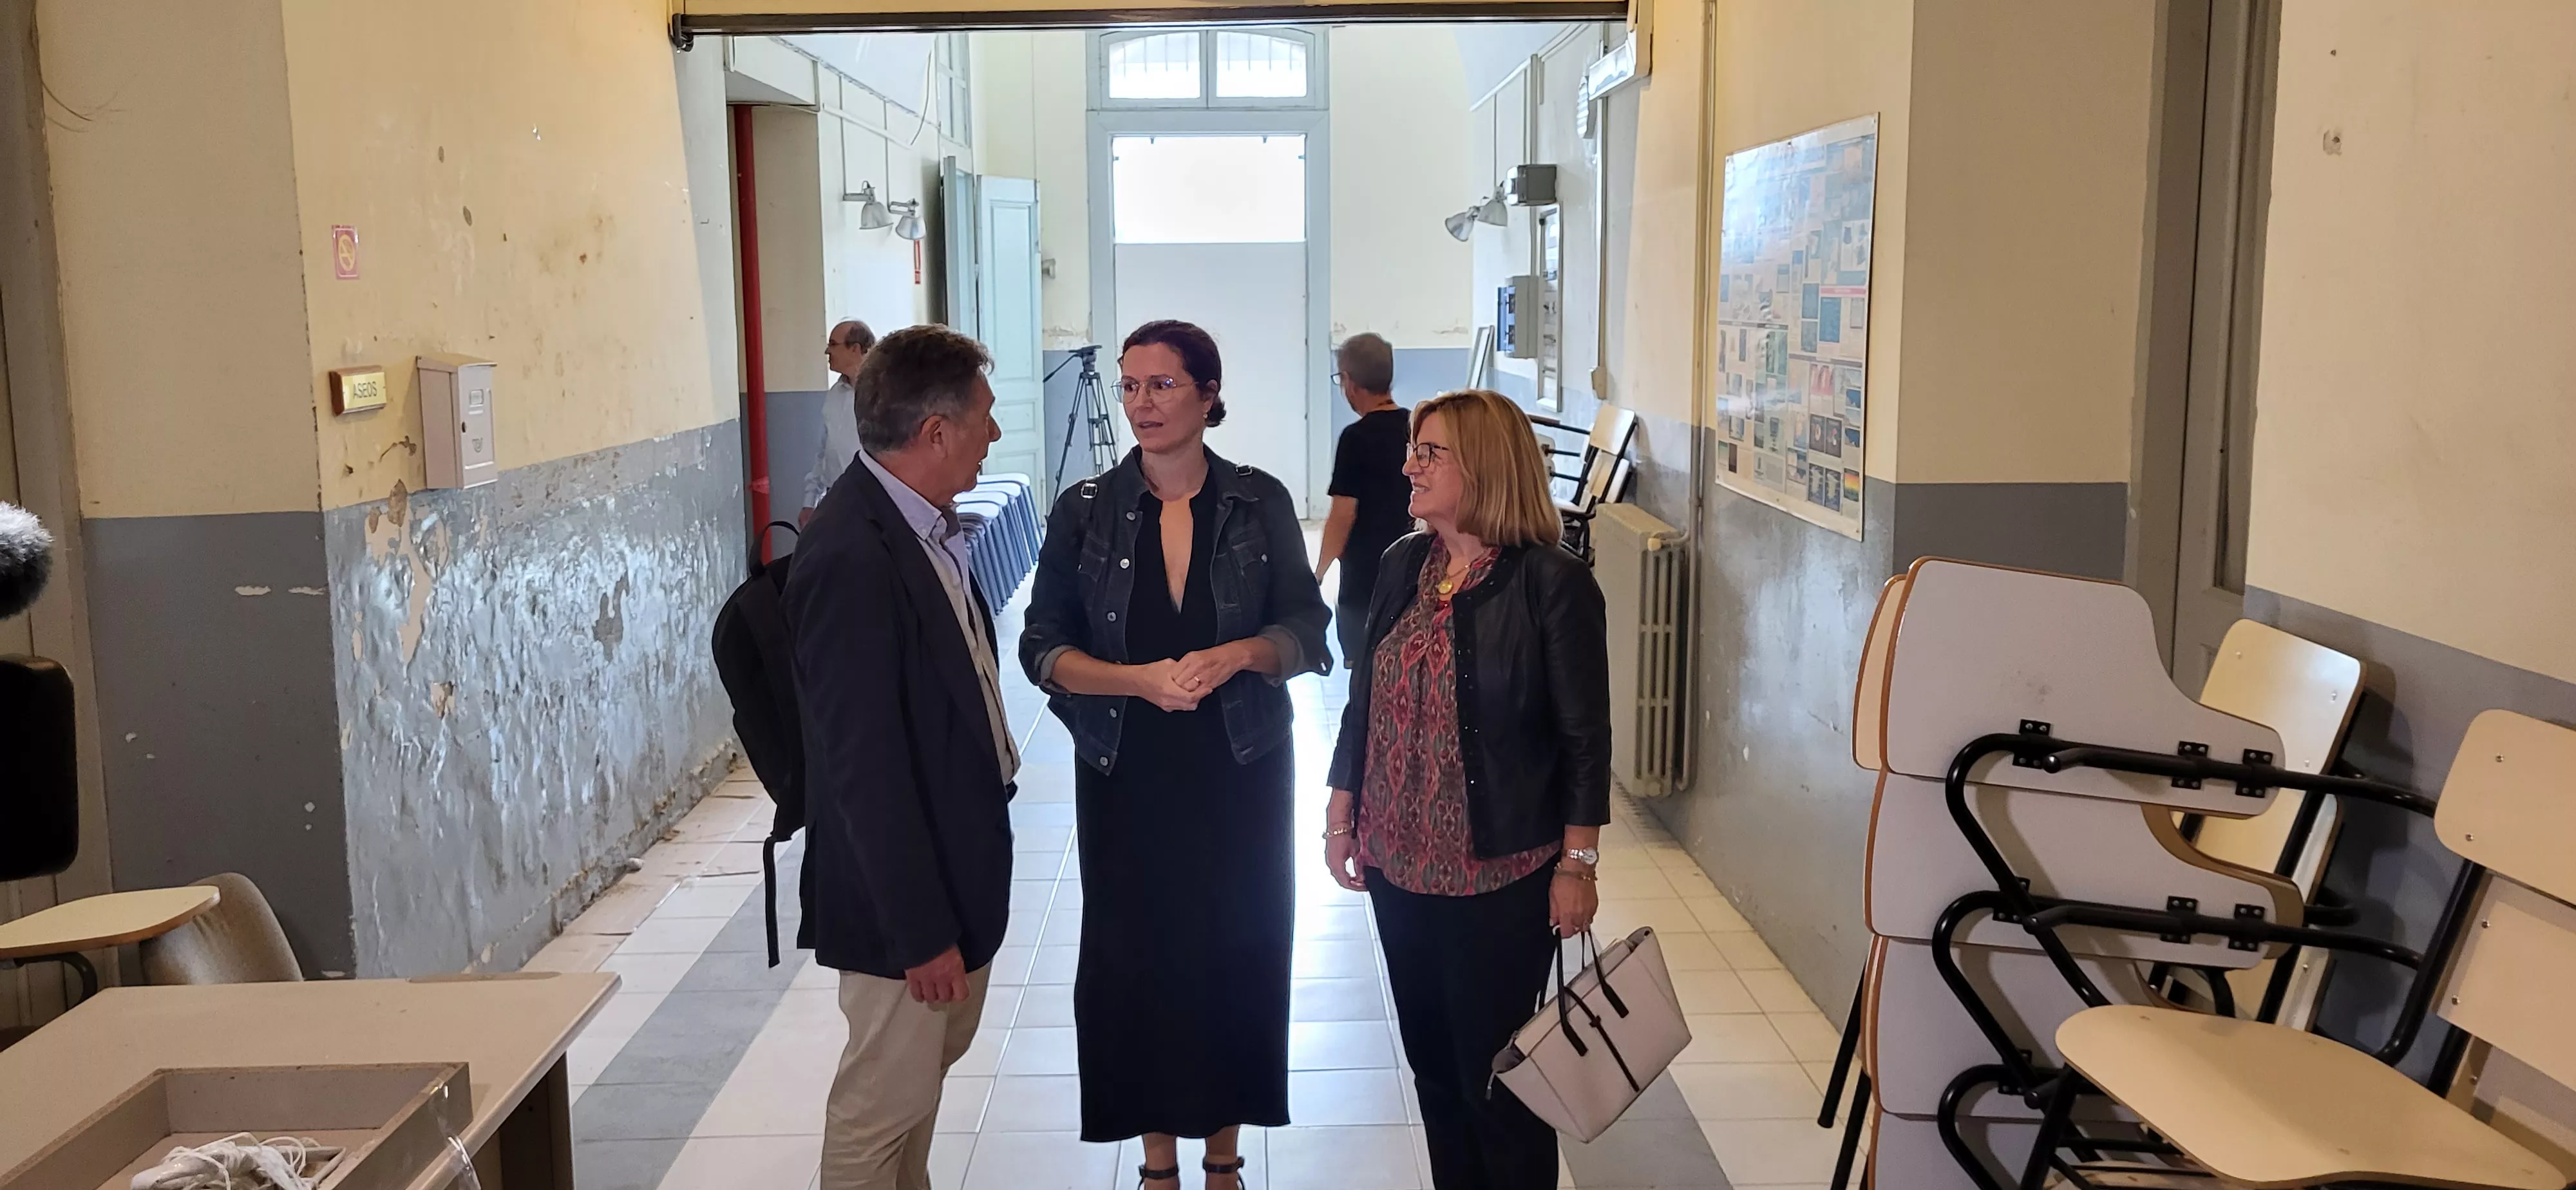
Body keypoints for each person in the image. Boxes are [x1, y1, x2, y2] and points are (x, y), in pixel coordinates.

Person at [1019, 319, 1331, 1190]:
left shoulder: (1259, 501)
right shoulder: (1086, 510)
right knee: (1136, 955)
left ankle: (1223, 1154)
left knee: (1240, 946)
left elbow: (1309, 629)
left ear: (1207, 394)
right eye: (1130, 386)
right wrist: (1133, 680)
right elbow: (1042, 645)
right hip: (1128, 769)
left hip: (1242, 766)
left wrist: (1241, 655)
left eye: (1162, 385)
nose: (1141, 403)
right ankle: (1157, 1161)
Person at [1321, 388, 1612, 1190]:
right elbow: (1364, 697)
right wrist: (1340, 810)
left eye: (1429, 452)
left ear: (1482, 467)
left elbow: (1586, 738)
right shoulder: (1399, 563)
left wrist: (1577, 863)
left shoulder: (1551, 582)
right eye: (1413, 449)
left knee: (1501, 1084)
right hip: (1397, 863)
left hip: (1499, 870)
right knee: (1434, 1073)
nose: (1409, 464)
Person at [784, 325, 1018, 1190]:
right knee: (879, 1113)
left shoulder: (917, 525)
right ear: (936, 432)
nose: (994, 434)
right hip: (899, 909)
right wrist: (920, 931)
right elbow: (863, 771)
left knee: (910, 1107)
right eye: (985, 417)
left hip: (948, 870)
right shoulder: (853, 554)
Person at [1313, 332, 1413, 670]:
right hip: (1416, 565)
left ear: (1349, 382)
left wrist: (1320, 573)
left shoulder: (1355, 438)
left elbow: (1343, 515)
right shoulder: (1418, 427)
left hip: (1366, 574)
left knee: (1365, 668)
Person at [802, 318, 878, 525]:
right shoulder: (836, 394)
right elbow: (825, 451)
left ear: (855, 349)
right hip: (838, 501)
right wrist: (810, 501)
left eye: (833, 344)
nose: (827, 351)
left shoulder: (886, 393)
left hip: (877, 505)